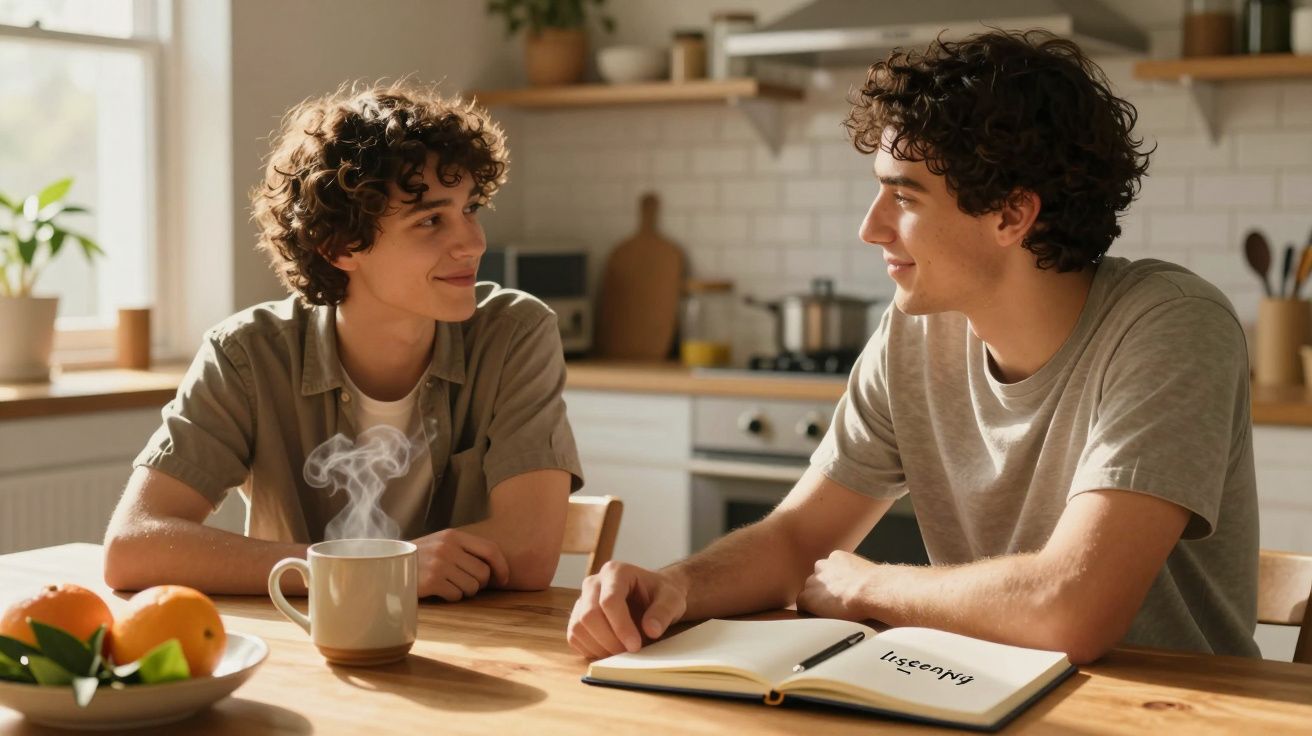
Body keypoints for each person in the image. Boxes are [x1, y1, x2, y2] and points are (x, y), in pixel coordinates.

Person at [567, 30, 1259, 664]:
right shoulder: (916, 332)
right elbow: (796, 542)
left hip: (1172, 712)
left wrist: (873, 586)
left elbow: (1070, 611)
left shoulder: (1172, 326)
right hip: (978, 694)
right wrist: (671, 587)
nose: (871, 229)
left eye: (904, 197)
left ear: (1012, 215)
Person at [104, 81, 584, 601]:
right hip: (308, 652)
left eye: (469, 209)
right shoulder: (246, 355)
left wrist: (347, 569)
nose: (473, 243)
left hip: (478, 652)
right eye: (431, 220)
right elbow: (133, 546)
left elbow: (530, 552)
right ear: (338, 246)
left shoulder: (514, 334)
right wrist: (375, 569)